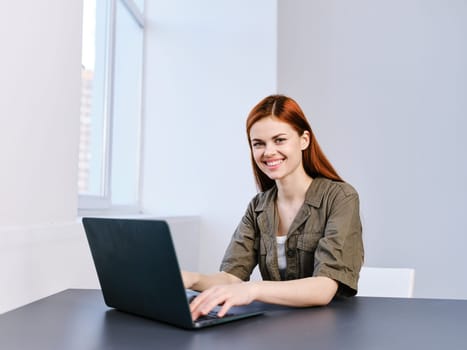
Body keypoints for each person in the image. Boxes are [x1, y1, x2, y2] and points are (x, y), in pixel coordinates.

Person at [183, 94, 363, 320]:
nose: (268, 152)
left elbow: (324, 288)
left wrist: (254, 289)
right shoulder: (258, 207)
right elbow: (231, 277)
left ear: (304, 140)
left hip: (330, 329)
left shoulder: (340, 197)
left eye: (279, 140)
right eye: (258, 144)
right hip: (277, 327)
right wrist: (192, 279)